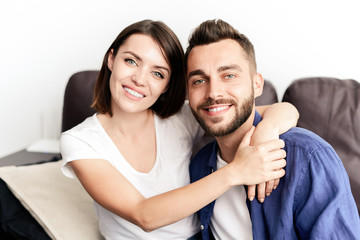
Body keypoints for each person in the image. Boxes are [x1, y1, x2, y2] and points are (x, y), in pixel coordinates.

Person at [60, 19, 299, 240]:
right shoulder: (80, 141)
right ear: (111, 59)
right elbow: (144, 215)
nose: (139, 79)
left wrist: (266, 132)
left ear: (166, 85)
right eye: (130, 61)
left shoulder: (179, 119)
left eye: (157, 73)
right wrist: (235, 172)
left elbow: (285, 109)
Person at [186, 19, 360, 240]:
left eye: (228, 75)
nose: (213, 92)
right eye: (199, 81)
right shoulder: (199, 166)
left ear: (256, 84)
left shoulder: (308, 158)